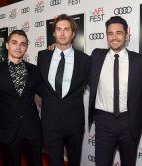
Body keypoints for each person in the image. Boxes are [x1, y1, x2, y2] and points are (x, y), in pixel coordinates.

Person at [88, 16, 142, 166]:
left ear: (126, 34)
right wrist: (55, 49)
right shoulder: (96, 55)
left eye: (119, 33)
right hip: (103, 122)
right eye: (110, 33)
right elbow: (76, 63)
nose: (114, 37)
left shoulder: (139, 60)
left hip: (129, 122)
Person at [0, 30, 42, 166]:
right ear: (7, 45)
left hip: (32, 129)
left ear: (26, 47)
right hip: (7, 131)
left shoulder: (35, 70)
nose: (18, 47)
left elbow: (46, 93)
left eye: (23, 44)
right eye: (14, 43)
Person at [37, 14, 90, 166]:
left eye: (66, 29)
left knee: (74, 161)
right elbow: (39, 83)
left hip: (74, 122)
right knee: (54, 161)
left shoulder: (85, 60)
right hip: (50, 121)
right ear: (53, 33)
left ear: (73, 33)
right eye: (58, 29)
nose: (62, 33)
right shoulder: (43, 56)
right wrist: (48, 99)